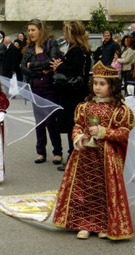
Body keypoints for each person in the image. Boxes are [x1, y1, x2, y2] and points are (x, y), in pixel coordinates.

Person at [53, 61, 134, 240]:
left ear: (112, 86)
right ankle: (84, 223)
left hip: (106, 157)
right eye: (95, 83)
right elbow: (78, 126)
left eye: (102, 84)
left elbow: (123, 133)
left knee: (104, 191)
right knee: (84, 189)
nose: (97, 87)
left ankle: (105, 224)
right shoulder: (84, 107)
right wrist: (78, 137)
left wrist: (104, 132)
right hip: (84, 157)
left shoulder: (119, 110)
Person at [21, 18, 63, 165]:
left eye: (33, 30)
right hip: (35, 88)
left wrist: (32, 64)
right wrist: (39, 72)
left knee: (51, 121)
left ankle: (57, 152)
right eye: (29, 30)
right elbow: (23, 68)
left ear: (41, 30)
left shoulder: (51, 43)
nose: (30, 33)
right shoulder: (29, 49)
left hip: (50, 87)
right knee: (39, 122)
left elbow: (52, 61)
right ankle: (41, 152)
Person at [51, 20, 91, 171]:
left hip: (73, 94)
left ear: (72, 34)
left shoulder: (77, 50)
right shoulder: (81, 49)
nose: (64, 35)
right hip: (76, 92)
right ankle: (73, 156)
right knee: (74, 126)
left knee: (73, 126)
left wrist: (59, 66)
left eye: (67, 32)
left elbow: (74, 70)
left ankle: (73, 158)